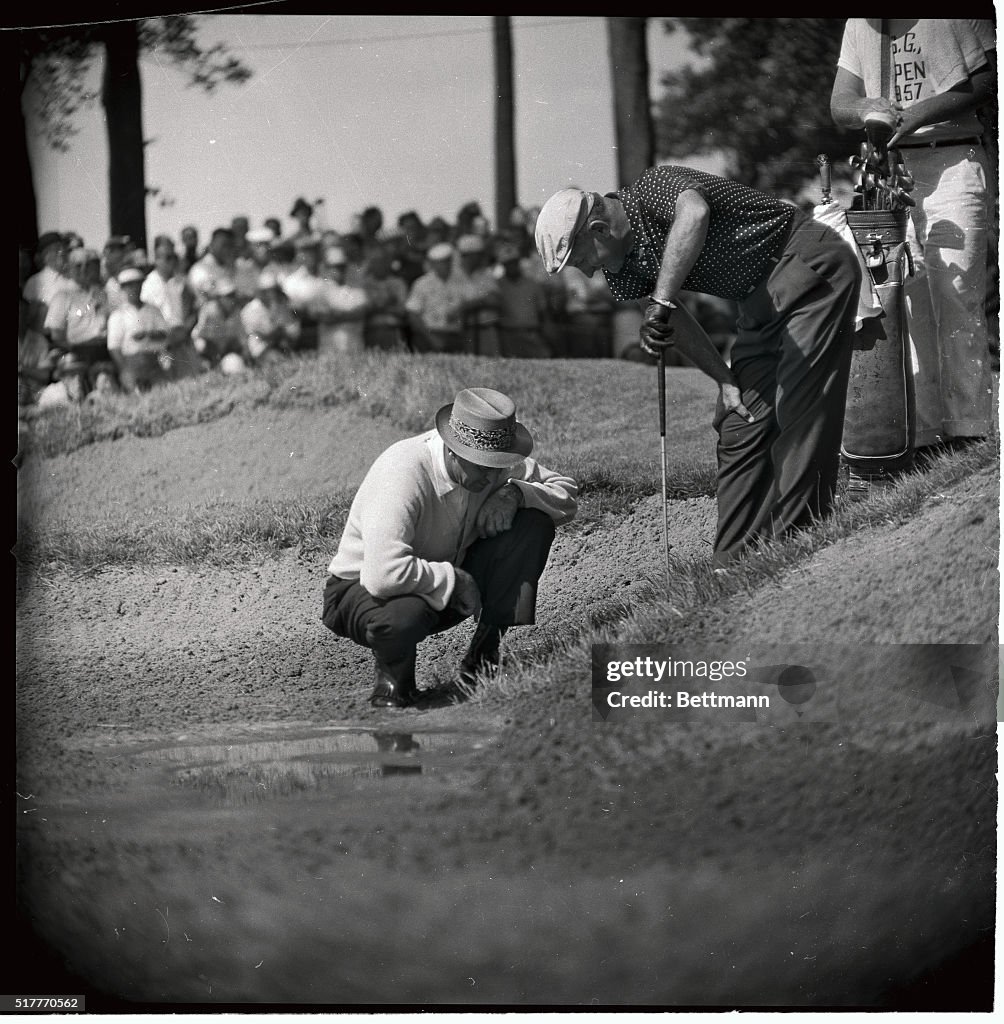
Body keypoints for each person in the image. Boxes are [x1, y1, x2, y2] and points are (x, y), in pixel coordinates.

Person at [535, 168, 861, 567]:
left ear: (599, 229)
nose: (586, 272)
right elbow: (672, 320)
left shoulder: (652, 187)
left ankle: (798, 543)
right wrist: (724, 380)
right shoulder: (621, 271)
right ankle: (731, 564)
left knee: (798, 408)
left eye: (581, 259)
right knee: (740, 424)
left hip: (807, 262)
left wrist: (662, 299)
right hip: (759, 304)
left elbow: (694, 215)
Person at [321, 386, 577, 707]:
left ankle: (482, 659)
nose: (493, 476)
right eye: (483, 467)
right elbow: (382, 575)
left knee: (533, 523)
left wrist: (515, 494)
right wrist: (456, 580)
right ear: (453, 451)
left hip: (443, 587)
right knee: (404, 615)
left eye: (500, 465)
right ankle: (394, 687)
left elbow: (567, 494)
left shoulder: (496, 471)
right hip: (363, 592)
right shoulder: (402, 471)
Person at [830, 18, 997, 453]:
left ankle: (970, 428)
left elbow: (986, 81)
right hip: (893, 172)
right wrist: (871, 108)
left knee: (956, 289)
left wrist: (917, 114)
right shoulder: (858, 25)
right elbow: (839, 104)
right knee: (907, 298)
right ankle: (924, 436)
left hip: (953, 158)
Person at [44, 247, 116, 399]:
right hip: (79, 352)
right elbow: (56, 335)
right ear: (69, 268)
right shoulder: (63, 296)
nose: (84, 270)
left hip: (105, 350)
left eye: (89, 265)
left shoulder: (103, 293)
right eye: (78, 265)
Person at [141, 236, 203, 380]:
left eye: (173, 257)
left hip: (184, 337)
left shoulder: (182, 281)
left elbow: (195, 308)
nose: (171, 261)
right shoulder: (148, 285)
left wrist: (186, 329)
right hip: (162, 342)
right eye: (167, 258)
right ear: (156, 259)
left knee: (192, 380)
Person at [106, 267, 172, 392]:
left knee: (164, 393)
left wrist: (148, 335)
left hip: (154, 362)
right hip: (132, 363)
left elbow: (165, 335)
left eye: (137, 285)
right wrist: (125, 370)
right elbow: (114, 348)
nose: (134, 289)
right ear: (123, 289)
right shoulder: (118, 315)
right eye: (129, 286)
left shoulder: (153, 310)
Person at [405, 243, 466, 353]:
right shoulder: (422, 283)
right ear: (432, 264)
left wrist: (461, 308)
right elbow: (413, 314)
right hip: (428, 335)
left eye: (447, 261)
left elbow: (474, 300)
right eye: (441, 262)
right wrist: (431, 338)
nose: (445, 265)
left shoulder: (462, 280)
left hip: (456, 335)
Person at [495, 242, 553, 358]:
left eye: (514, 262)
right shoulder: (497, 286)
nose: (512, 266)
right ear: (503, 265)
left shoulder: (532, 284)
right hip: (508, 335)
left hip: (531, 334)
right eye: (508, 263)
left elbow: (543, 311)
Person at [454, 234, 502, 356]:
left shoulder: (486, 274)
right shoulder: (454, 275)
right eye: (477, 255)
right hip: (464, 330)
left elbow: (495, 300)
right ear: (468, 256)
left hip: (486, 329)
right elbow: (454, 308)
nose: (481, 258)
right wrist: (482, 301)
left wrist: (471, 305)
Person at [317, 246, 370, 355]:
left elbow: (361, 313)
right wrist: (348, 315)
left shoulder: (357, 288)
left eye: (341, 267)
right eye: (334, 267)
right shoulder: (321, 289)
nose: (338, 270)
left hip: (354, 347)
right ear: (327, 267)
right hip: (328, 349)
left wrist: (337, 315)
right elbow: (322, 316)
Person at [240, 271, 300, 365]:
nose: (271, 294)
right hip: (260, 347)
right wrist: (277, 332)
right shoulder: (250, 309)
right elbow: (258, 334)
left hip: (277, 344)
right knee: (277, 359)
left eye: (273, 290)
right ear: (261, 292)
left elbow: (290, 328)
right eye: (268, 291)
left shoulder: (279, 305)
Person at [361, 244, 410, 351]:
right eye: (375, 261)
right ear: (371, 263)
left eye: (382, 261)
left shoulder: (398, 283)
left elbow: (402, 311)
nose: (379, 264)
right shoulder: (364, 285)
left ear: (388, 262)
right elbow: (364, 311)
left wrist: (377, 306)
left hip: (394, 331)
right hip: (371, 331)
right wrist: (390, 303)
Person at [187, 227, 237, 310]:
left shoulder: (231, 266)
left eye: (230, 245)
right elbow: (212, 296)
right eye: (223, 245)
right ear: (212, 244)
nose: (227, 249)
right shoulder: (200, 269)